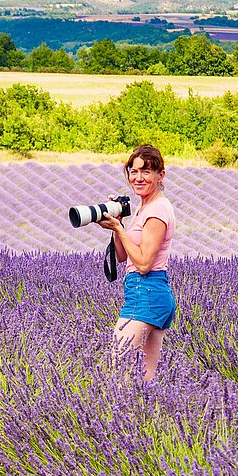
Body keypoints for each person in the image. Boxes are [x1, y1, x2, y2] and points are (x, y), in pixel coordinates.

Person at [96, 144, 176, 382]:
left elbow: (143, 264)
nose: (138, 178)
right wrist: (117, 224)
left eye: (146, 171)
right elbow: (122, 256)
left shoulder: (157, 211)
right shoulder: (145, 207)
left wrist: (120, 229)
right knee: (145, 381)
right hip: (151, 294)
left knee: (117, 370)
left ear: (160, 175)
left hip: (146, 292)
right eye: (134, 171)